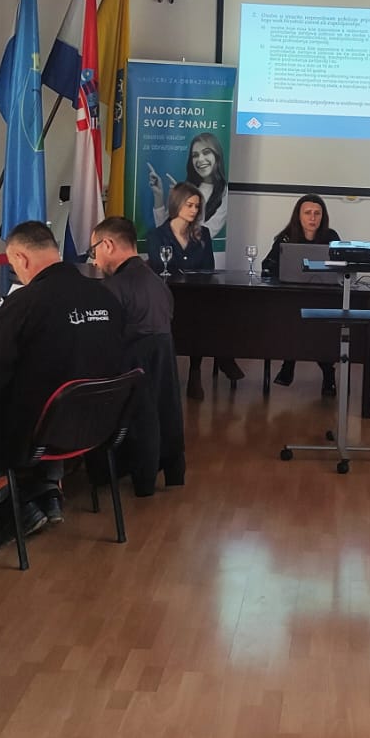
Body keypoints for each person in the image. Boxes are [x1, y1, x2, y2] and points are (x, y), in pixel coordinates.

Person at [0, 221, 127, 541]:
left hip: (44, 431)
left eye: (13, 265)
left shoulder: (25, 303)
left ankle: (13, 507)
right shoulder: (107, 296)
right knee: (50, 391)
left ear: (21, 258)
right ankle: (49, 489)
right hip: (100, 423)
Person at [92, 216, 185, 493]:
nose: (94, 260)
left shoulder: (113, 288)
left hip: (129, 377)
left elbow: (103, 341)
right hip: (160, 373)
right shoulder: (157, 282)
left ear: (108, 245)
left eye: (94, 250)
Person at [147, 182, 239, 397]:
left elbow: (208, 269)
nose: (194, 210)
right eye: (189, 205)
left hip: (196, 294)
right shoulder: (157, 236)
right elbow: (159, 269)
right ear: (176, 204)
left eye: (197, 206)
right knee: (198, 316)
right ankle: (222, 357)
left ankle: (196, 371)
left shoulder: (202, 234)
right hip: (167, 296)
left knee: (213, 312)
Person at [263, 193, 341, 395]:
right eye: (307, 213)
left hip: (323, 298)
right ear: (298, 215)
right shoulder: (286, 237)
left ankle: (325, 371)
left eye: (317, 213)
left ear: (323, 216)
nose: (312, 218)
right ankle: (290, 363)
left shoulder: (331, 237)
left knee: (320, 326)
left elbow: (342, 267)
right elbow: (268, 265)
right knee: (294, 318)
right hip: (293, 297)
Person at [146, 131, 228, 242]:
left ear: (217, 155)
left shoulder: (225, 192)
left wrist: (190, 203)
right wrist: (159, 196)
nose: (200, 159)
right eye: (195, 155)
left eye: (206, 152)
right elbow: (162, 228)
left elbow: (205, 234)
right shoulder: (187, 187)